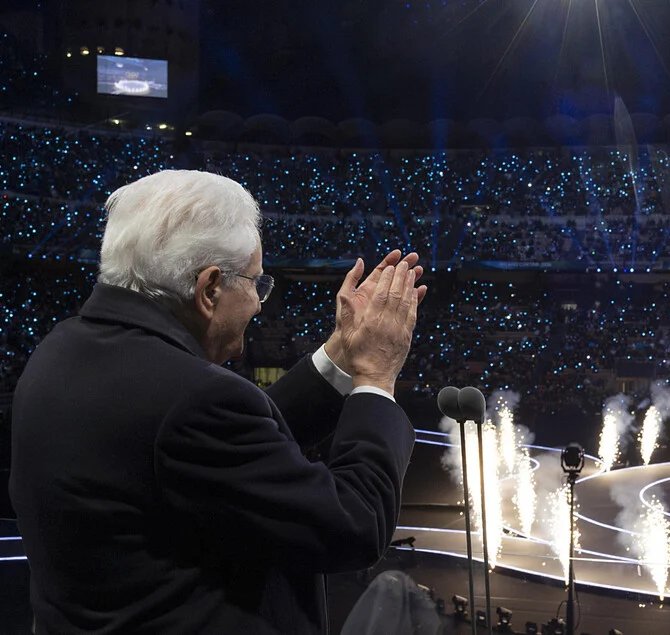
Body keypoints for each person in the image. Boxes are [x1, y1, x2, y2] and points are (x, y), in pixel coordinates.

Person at [9, 170, 428, 634]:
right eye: (256, 282)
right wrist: (375, 376)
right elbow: (355, 525)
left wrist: (340, 359)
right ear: (209, 289)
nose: (258, 304)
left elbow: (221, 452)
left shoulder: (63, 349)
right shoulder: (193, 399)